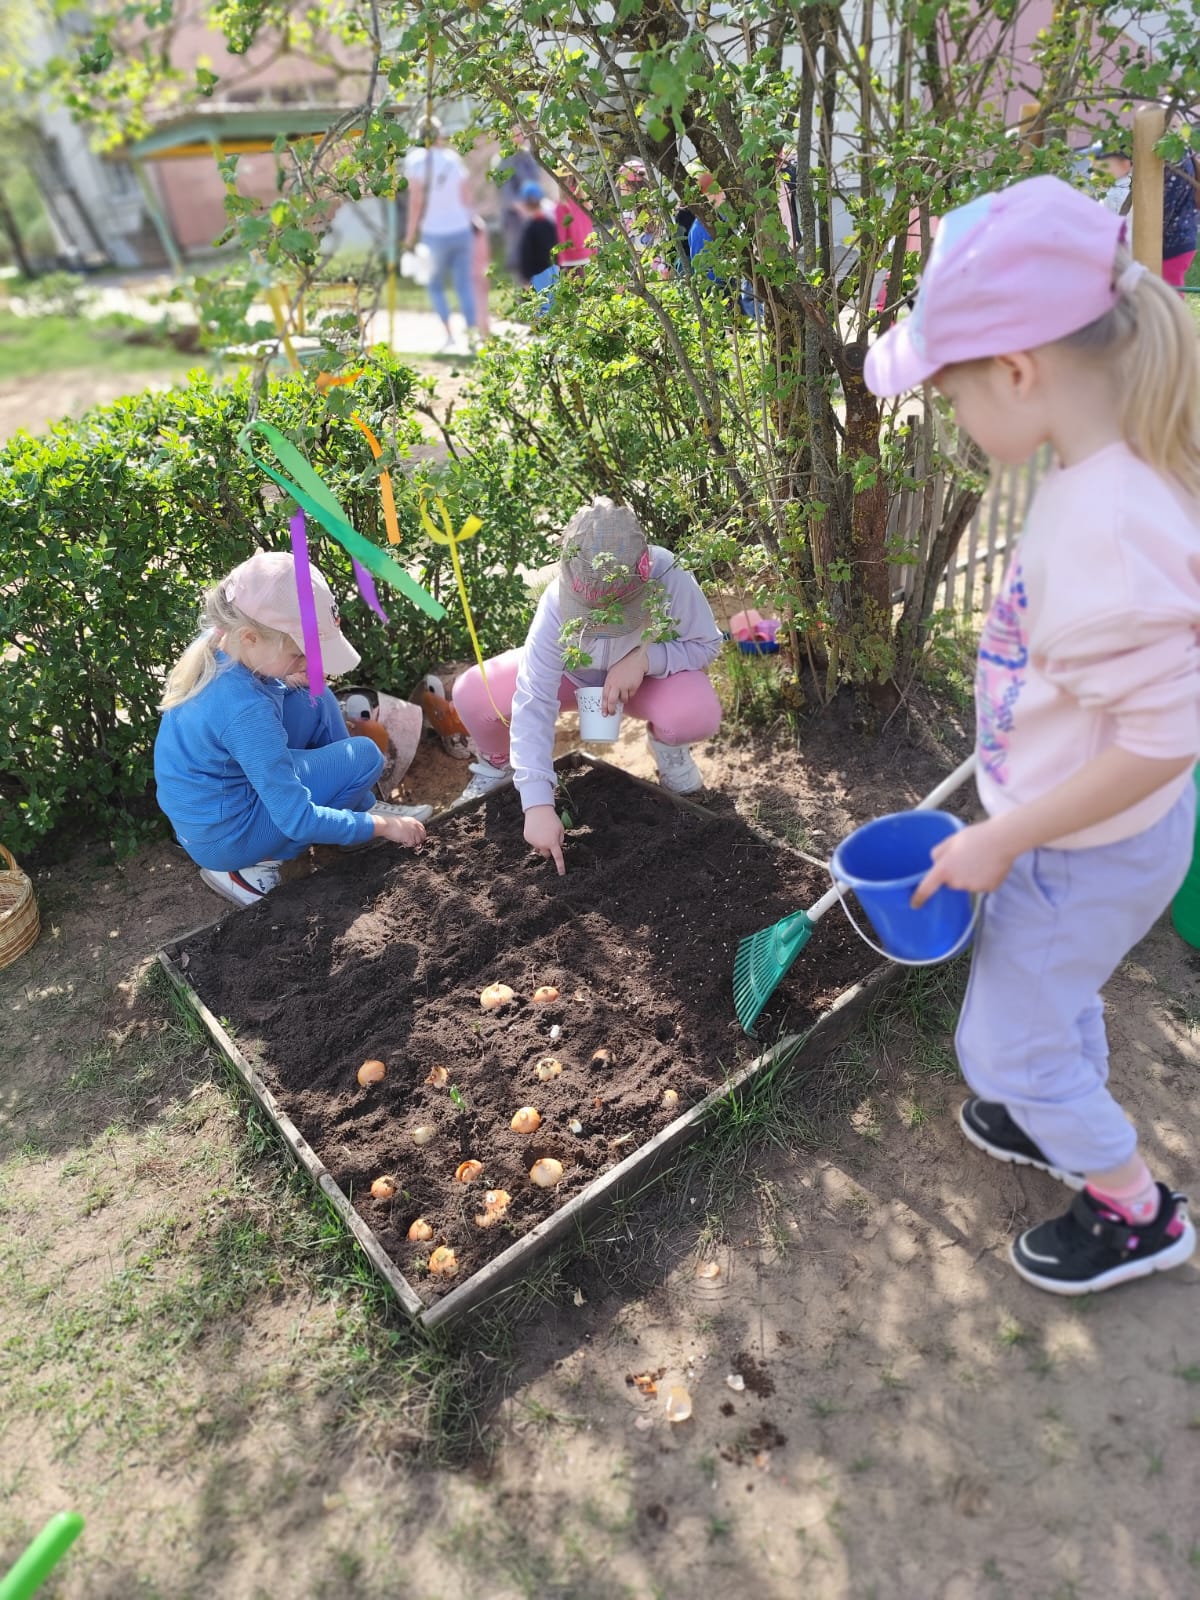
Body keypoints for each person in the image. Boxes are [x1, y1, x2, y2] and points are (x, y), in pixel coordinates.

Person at [864, 173, 1200, 1295]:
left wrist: (1004, 836)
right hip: (1081, 830)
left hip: (1085, 845)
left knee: (998, 1041)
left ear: (1018, 370)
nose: (954, 420)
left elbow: (1162, 744)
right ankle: (1047, 1095)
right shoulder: (1101, 465)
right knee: (1048, 996)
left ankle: (1136, 1211)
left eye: (953, 394)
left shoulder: (1109, 533)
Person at [450, 498, 724, 874]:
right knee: (473, 693)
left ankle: (669, 749)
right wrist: (537, 803)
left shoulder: (669, 575)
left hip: (644, 683)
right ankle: (500, 766)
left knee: (695, 712)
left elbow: (706, 644)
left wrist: (645, 660)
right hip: (572, 679)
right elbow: (534, 698)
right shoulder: (555, 604)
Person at [154, 552, 431, 908]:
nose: (310, 663)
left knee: (317, 696)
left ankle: (361, 808)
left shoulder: (224, 645)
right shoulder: (244, 708)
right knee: (363, 757)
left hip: (219, 807)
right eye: (299, 654)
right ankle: (250, 868)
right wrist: (384, 827)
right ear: (251, 637)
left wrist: (290, 674)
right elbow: (297, 819)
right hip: (227, 839)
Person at [403, 118, 478, 351]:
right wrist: (473, 220)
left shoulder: (415, 161)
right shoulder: (453, 159)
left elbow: (416, 202)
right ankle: (473, 336)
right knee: (464, 285)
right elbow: (466, 196)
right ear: (439, 134)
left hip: (433, 233)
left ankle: (449, 335)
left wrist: (410, 234)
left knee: (434, 285)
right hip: (461, 229)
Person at [1093, 141, 1198, 288]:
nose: (1095, 170)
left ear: (1125, 165)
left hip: (1166, 245)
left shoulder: (1121, 191)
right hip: (1177, 240)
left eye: (1102, 165)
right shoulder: (1127, 184)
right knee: (1163, 288)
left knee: (1165, 289)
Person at [515, 180, 558, 287]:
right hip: (554, 273)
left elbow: (526, 256)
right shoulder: (550, 224)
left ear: (525, 204)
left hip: (537, 278)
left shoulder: (529, 229)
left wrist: (525, 278)